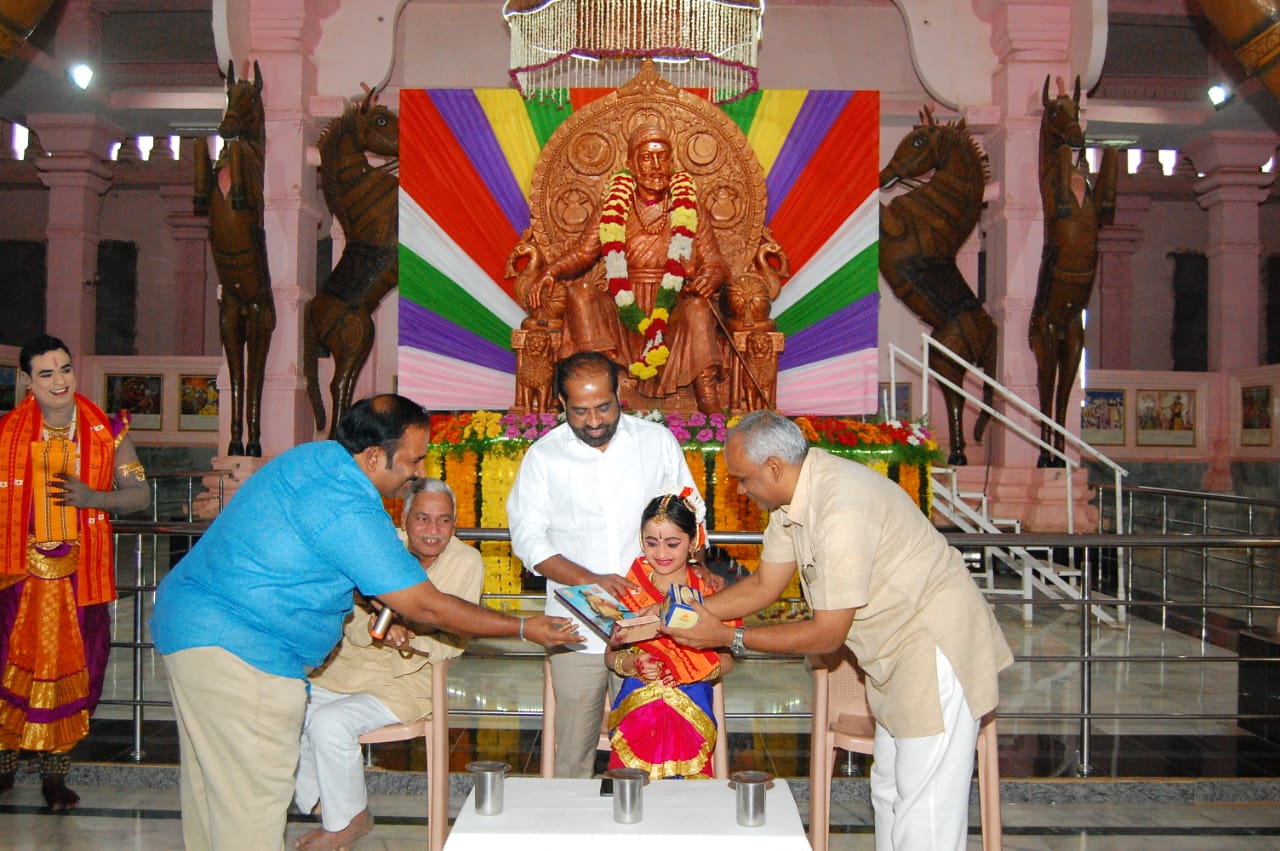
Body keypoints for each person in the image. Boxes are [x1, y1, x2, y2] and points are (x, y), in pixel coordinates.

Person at [151, 394, 581, 851]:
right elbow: (427, 607)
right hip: (243, 649)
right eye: (412, 460)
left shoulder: (312, 459)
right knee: (250, 809)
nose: (417, 472)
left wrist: (377, 607)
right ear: (375, 456)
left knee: (213, 794)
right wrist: (523, 628)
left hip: (191, 631)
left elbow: (332, 565)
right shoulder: (348, 504)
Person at [668, 410, 1013, 850]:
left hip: (936, 647)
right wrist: (681, 615)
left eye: (743, 478)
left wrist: (729, 637)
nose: (739, 489)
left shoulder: (840, 506)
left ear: (774, 467)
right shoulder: (792, 501)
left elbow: (828, 634)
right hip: (894, 656)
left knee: (925, 809)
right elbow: (763, 586)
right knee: (890, 791)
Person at [506, 351, 699, 777]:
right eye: (580, 411)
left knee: (651, 749)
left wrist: (686, 572)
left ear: (619, 394)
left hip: (651, 623)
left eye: (604, 407)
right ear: (561, 403)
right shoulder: (544, 456)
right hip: (576, 630)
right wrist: (590, 580)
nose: (594, 420)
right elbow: (528, 540)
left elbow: (690, 513)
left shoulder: (656, 443)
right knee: (573, 755)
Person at [0, 334, 151, 810]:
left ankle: (55, 776)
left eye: (65, 369)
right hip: (16, 579)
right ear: (27, 379)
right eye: (46, 373)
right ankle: (3, 765)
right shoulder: (4, 432)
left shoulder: (109, 431)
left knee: (78, 669)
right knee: (6, 666)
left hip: (79, 579)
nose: (59, 381)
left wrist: (93, 498)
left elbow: (140, 495)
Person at [292, 477, 483, 851]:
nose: (433, 530)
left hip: (407, 682)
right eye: (423, 519)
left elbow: (456, 637)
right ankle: (328, 809)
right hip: (346, 668)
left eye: (443, 520)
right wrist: (374, 627)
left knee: (330, 723)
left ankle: (342, 824)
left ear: (455, 524)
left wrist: (409, 636)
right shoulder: (380, 548)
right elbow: (348, 612)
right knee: (287, 707)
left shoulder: (466, 561)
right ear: (404, 519)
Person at [526, 124, 731, 412]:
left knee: (697, 309)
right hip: (622, 310)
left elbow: (715, 263)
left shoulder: (690, 209)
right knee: (580, 292)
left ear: (672, 162)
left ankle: (707, 395)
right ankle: (598, 380)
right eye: (646, 158)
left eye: (663, 157)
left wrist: (709, 276)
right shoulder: (613, 207)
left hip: (671, 309)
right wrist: (550, 271)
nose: (656, 166)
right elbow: (584, 252)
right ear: (631, 164)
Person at [604, 492, 734, 780]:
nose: (661, 553)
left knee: (687, 797)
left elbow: (727, 660)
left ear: (693, 541)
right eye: (652, 543)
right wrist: (634, 664)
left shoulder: (710, 593)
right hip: (637, 705)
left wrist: (689, 669)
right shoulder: (630, 589)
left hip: (691, 701)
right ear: (641, 541)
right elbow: (610, 655)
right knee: (631, 792)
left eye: (672, 543)